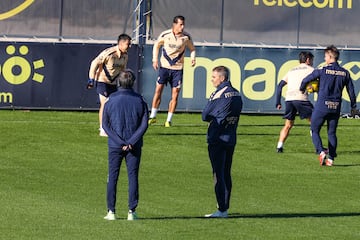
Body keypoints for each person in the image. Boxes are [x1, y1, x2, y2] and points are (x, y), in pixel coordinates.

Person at [102, 70, 149, 221]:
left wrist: (119, 141)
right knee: (132, 176)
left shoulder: (111, 99)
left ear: (118, 82)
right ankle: (131, 211)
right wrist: (131, 142)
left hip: (115, 145)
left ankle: (111, 211)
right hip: (133, 146)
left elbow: (105, 124)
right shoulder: (140, 100)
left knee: (113, 177)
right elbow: (144, 124)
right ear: (133, 83)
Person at [300, 45, 357, 167]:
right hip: (335, 107)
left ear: (330, 56)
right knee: (331, 133)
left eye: (325, 56)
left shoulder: (322, 70)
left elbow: (305, 80)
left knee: (314, 130)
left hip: (322, 106)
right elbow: (351, 91)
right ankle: (331, 159)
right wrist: (353, 106)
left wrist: (302, 89)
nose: (324, 58)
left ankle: (321, 151)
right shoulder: (345, 73)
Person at [202, 66, 243, 218]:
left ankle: (221, 209)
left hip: (217, 138)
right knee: (226, 172)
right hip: (231, 137)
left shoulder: (218, 93)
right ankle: (224, 206)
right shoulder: (237, 94)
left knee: (218, 173)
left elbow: (205, 115)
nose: (212, 80)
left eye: (214, 77)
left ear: (222, 78)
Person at [148, 15, 196, 127]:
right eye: (180, 24)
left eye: (183, 24)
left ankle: (168, 120)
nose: (182, 27)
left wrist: (193, 58)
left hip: (177, 70)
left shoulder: (186, 37)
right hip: (164, 68)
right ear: (174, 25)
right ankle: (153, 116)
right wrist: (155, 60)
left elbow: (192, 49)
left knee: (175, 94)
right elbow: (157, 46)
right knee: (158, 90)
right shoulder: (165, 35)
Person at [88, 33, 132, 136]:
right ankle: (103, 128)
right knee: (105, 104)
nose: (129, 46)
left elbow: (123, 69)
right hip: (102, 81)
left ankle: (111, 126)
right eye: (128, 44)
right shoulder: (109, 53)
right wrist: (91, 79)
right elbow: (94, 63)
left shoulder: (125, 56)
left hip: (114, 83)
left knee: (113, 105)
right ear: (121, 44)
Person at [275, 51, 315, 153]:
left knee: (288, 125)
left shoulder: (291, 70)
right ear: (308, 60)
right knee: (314, 122)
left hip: (289, 99)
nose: (312, 62)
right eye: (312, 60)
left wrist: (278, 102)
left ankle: (279, 146)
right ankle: (318, 148)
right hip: (301, 98)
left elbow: (280, 86)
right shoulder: (311, 70)